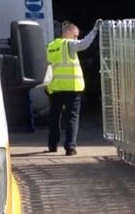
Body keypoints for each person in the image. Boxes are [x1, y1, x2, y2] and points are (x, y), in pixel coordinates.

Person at [46, 20, 101, 156]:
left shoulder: (50, 46)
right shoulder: (69, 44)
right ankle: (70, 147)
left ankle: (52, 145)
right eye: (75, 35)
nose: (76, 38)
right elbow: (84, 44)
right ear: (68, 33)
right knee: (72, 117)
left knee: (54, 117)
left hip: (55, 88)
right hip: (72, 88)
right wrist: (95, 30)